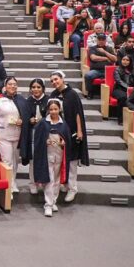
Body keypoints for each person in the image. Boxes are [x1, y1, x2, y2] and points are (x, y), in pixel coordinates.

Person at [49, 71, 89, 203]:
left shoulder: (72, 94)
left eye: (56, 79)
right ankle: (64, 184)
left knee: (72, 162)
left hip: (72, 132)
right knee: (61, 160)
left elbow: (78, 114)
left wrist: (79, 131)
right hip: (59, 132)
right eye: (52, 81)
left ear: (62, 79)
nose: (54, 82)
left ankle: (73, 188)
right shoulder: (54, 95)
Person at [0, 77, 28, 196]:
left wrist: (22, 121)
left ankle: (13, 182)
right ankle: (8, 187)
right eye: (10, 84)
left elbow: (25, 115)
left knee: (15, 161)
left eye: (14, 84)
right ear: (5, 86)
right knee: (7, 161)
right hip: (3, 135)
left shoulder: (21, 99)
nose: (12, 86)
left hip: (17, 135)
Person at [32, 99, 72, 217]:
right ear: (48, 110)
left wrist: (64, 142)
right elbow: (37, 139)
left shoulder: (63, 124)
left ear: (59, 109)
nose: (53, 111)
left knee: (57, 179)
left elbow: (67, 139)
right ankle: (48, 205)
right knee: (49, 180)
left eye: (56, 109)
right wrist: (45, 141)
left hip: (59, 154)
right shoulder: (43, 123)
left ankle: (54, 200)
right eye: (51, 109)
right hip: (47, 155)